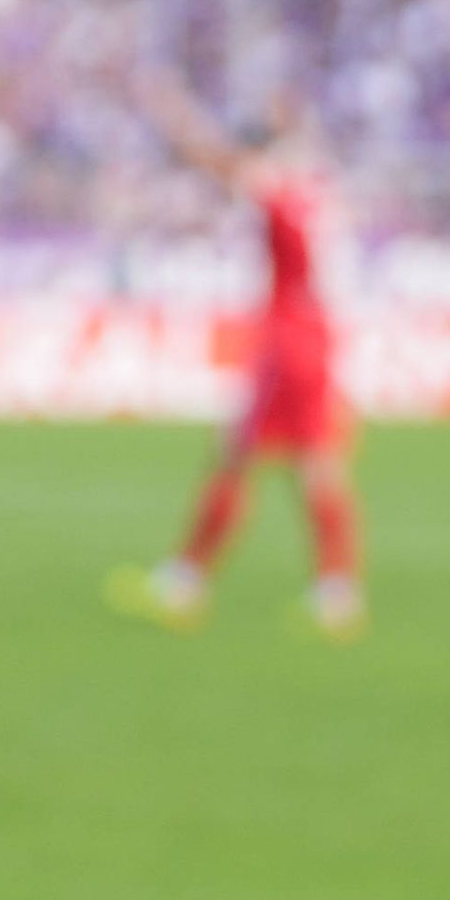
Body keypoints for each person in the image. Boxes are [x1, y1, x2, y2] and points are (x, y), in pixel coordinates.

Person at [108, 85, 363, 640]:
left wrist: (173, 113)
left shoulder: (283, 190)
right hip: (320, 334)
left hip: (288, 338)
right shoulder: (321, 191)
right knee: (317, 462)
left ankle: (185, 583)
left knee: (238, 456)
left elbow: (224, 165)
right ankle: (338, 593)